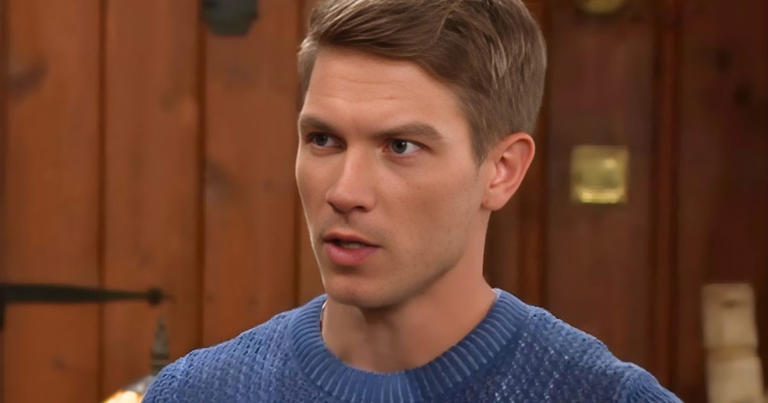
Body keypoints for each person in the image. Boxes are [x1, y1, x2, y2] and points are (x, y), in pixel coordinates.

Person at [144, 0, 680, 401]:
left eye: (400, 146)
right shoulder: (199, 394)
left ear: (502, 170)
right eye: (324, 140)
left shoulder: (603, 396)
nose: (344, 192)